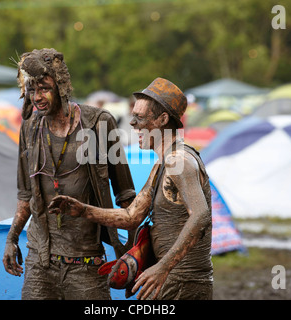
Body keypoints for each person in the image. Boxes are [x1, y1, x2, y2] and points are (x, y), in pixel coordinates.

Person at [49, 77, 213, 300]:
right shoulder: (163, 163)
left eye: (140, 117)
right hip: (168, 282)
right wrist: (83, 210)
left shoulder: (179, 160)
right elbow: (132, 215)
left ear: (163, 119)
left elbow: (201, 215)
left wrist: (162, 268)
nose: (132, 123)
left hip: (184, 284)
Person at [2, 48, 136, 300]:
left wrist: (132, 248)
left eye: (44, 88)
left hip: (86, 261)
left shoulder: (99, 124)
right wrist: (11, 239)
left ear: (60, 86)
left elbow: (126, 194)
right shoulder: (29, 128)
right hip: (40, 260)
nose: (37, 97)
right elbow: (25, 196)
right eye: (31, 90)